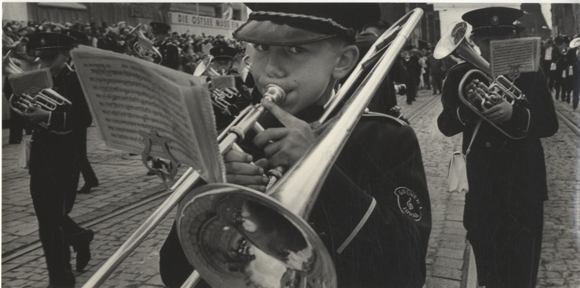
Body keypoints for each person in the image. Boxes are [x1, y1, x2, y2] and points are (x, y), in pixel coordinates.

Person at [159, 3, 431, 288]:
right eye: (262, 48)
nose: (272, 70)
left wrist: (322, 170)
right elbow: (175, 274)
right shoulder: (237, 136)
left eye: (296, 50)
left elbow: (407, 271)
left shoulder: (386, 139)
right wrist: (209, 194)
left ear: (342, 62)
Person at [437, 7, 558, 287]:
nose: (492, 49)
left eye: (500, 42)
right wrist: (467, 110)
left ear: (513, 40)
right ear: (475, 43)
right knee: (488, 263)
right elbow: (445, 125)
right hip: (484, 182)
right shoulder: (460, 74)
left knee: (522, 265)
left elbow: (549, 124)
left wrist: (513, 113)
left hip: (523, 182)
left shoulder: (530, 70)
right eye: (486, 43)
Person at [10, 32, 95, 287]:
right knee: (47, 220)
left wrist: (47, 116)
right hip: (40, 158)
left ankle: (69, 261)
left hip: (67, 159)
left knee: (53, 219)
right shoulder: (35, 78)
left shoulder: (77, 80)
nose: (44, 63)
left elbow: (84, 118)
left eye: (51, 58)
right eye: (41, 57)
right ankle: (69, 258)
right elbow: (19, 105)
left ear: (66, 54)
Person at [62, 29, 100, 194]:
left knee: (78, 150)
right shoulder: (71, 60)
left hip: (80, 109)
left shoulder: (83, 61)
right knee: (77, 150)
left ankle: (89, 180)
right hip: (73, 108)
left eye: (72, 44)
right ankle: (90, 179)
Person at [206, 40, 253, 130]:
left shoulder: (235, 77)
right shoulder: (210, 79)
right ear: (214, 63)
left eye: (226, 63)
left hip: (229, 121)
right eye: (219, 63)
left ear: (231, 63)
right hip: (214, 119)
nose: (222, 66)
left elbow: (248, 97)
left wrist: (233, 108)